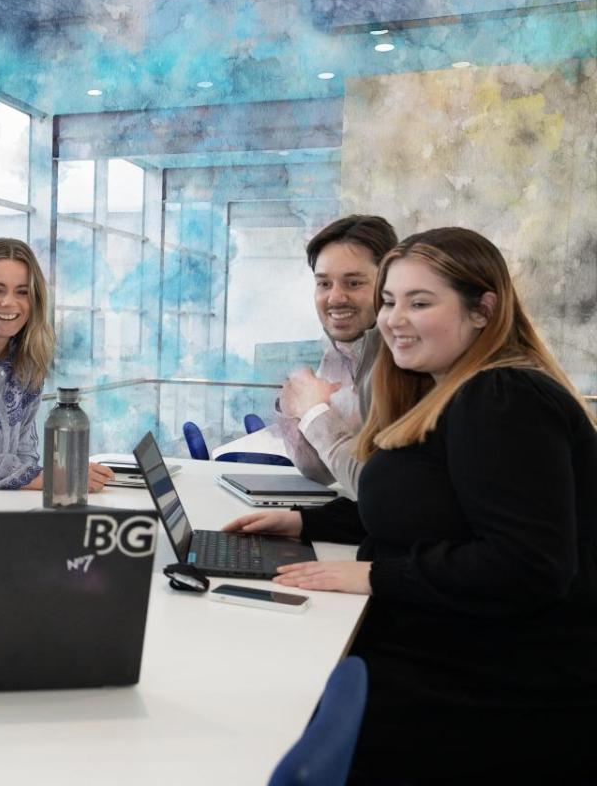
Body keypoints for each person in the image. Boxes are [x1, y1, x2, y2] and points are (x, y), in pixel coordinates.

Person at [226, 227, 597, 782]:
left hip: (499, 687)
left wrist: (377, 576)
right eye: (390, 301)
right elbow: (433, 506)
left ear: (482, 310)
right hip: (461, 651)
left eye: (420, 303)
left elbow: (528, 565)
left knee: (257, 712)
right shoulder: (452, 388)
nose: (394, 319)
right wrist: (306, 520)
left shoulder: (501, 399)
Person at [0, 238, 113, 497]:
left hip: (3, 509)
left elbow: (26, 452)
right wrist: (60, 476)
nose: (9, 302)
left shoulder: (26, 358)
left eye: (22, 292)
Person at [276, 215, 397, 498]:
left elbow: (377, 488)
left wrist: (313, 412)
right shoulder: (337, 352)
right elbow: (319, 472)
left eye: (354, 283)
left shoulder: (408, 361)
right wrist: (294, 409)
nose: (335, 298)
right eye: (324, 284)